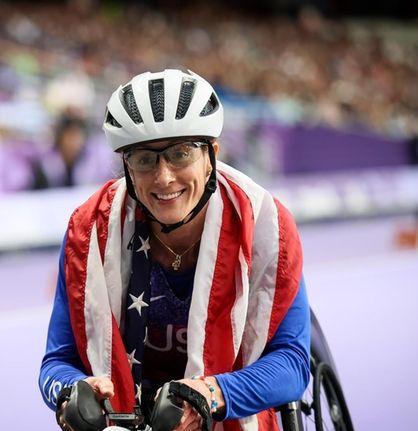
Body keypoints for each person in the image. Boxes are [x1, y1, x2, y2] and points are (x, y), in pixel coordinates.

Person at [39, 69, 310, 431]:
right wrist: (71, 392)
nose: (164, 177)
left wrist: (209, 393)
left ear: (212, 153)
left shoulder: (266, 226)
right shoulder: (88, 231)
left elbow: (292, 364)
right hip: (126, 416)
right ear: (126, 167)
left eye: (181, 153)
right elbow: (56, 363)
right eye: (144, 159)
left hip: (220, 403)